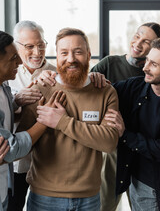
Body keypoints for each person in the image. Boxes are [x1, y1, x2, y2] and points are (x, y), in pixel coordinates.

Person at [16, 27, 119, 211]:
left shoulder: (105, 91)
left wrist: (62, 122)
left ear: (88, 55)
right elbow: (24, 144)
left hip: (89, 198)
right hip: (44, 197)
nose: (71, 58)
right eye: (64, 53)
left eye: (78, 52)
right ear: (56, 56)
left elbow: (109, 142)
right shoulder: (41, 89)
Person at [90, 22, 160, 211]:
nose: (145, 68)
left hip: (149, 174)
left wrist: (125, 133)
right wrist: (52, 76)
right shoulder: (135, 84)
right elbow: (87, 89)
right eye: (147, 62)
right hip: (127, 160)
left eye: (153, 64)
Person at [0, 30, 62, 211]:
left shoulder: (4, 85)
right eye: (13, 58)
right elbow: (10, 147)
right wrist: (45, 120)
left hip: (38, 167)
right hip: (14, 166)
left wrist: (18, 106)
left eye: (41, 45)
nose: (18, 62)